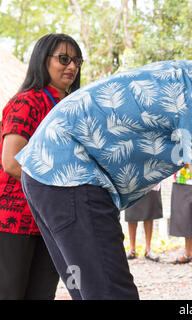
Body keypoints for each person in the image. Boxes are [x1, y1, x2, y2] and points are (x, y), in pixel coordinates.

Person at [16, 22, 192, 300]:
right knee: (111, 293)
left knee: (90, 289)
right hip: (69, 173)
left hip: (45, 170)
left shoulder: (186, 76)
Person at [0, 33, 83, 299]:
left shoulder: (68, 107)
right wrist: (59, 190)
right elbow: (11, 161)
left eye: (76, 61)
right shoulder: (27, 102)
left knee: (40, 294)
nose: (72, 66)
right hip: (14, 221)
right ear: (42, 60)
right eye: (63, 59)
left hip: (49, 221)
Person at [125, 183, 162, 261]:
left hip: (150, 175)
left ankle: (148, 249)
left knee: (149, 210)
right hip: (132, 176)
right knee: (131, 210)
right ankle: (132, 249)